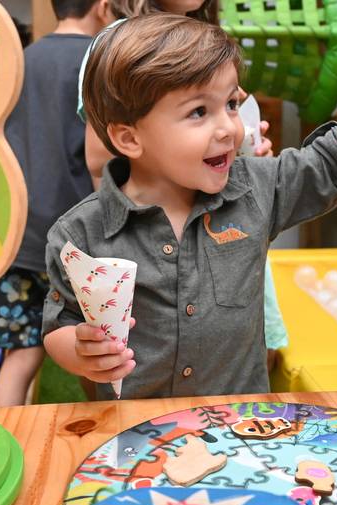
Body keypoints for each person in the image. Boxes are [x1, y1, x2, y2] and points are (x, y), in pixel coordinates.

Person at [42, 14, 337, 400]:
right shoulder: (80, 233)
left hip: (238, 424)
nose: (228, 128)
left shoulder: (255, 189)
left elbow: (332, 163)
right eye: (199, 112)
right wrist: (80, 352)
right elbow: (60, 323)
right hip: (138, 429)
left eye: (232, 104)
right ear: (130, 138)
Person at [82, 0, 290, 371]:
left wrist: (243, 150)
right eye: (197, 110)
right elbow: (98, 155)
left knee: (240, 348)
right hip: (157, 241)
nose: (225, 119)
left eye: (230, 104)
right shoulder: (122, 43)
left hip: (223, 228)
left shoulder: (209, 41)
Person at [0, 0, 115, 406]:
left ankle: (6, 440)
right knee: (98, 354)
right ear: (103, 7)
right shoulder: (99, 61)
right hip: (77, 235)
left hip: (18, 232)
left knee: (20, 356)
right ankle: (104, 439)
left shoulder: (20, 60)